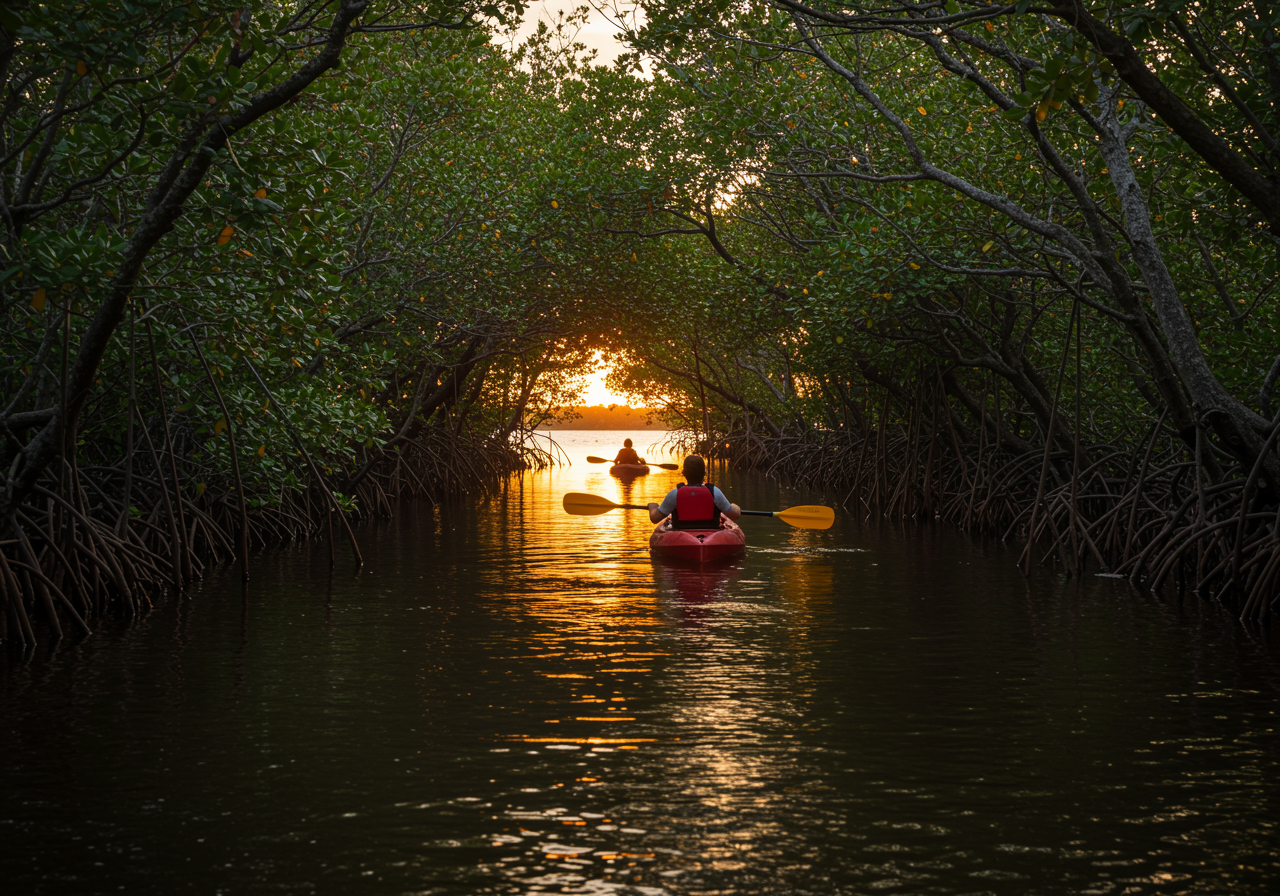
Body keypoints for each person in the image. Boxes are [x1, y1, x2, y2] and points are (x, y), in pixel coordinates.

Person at [649, 455, 741, 527]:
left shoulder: (675, 494)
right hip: (711, 532)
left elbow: (655, 518)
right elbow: (734, 515)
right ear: (704, 474)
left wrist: (653, 506)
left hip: (681, 533)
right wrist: (734, 506)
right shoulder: (714, 492)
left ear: (683, 473)